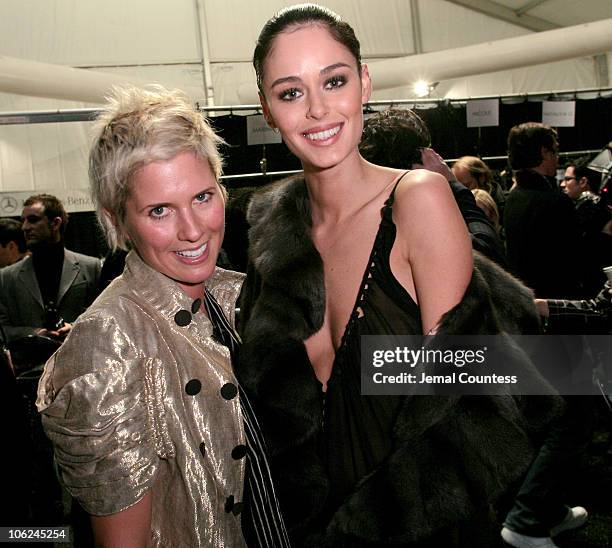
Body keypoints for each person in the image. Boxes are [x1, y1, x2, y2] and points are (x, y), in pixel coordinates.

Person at [236, 4, 559, 546]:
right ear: (267, 108)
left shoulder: (417, 199)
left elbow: (472, 399)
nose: (317, 109)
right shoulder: (272, 227)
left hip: (419, 526)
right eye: (290, 92)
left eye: (333, 81)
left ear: (364, 82)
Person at [36, 86, 289, 547]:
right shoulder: (107, 343)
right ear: (117, 222)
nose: (193, 230)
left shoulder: (237, 296)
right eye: (159, 210)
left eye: (202, 197)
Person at [359, 108, 506, 265]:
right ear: (423, 157)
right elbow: (488, 255)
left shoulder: (358, 217)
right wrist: (453, 185)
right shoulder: (425, 219)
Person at [0, 194, 101, 343]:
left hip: (82, 360)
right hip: (32, 363)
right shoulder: (6, 277)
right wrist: (35, 333)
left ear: (55, 223)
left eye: (33, 220)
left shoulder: (91, 267)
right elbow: (3, 329)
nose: (25, 227)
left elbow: (105, 317)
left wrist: (75, 328)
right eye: (24, 221)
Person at [504, 123, 587, 299]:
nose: (557, 158)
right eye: (555, 151)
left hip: (524, 300)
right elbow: (575, 260)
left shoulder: (513, 198)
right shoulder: (554, 201)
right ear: (544, 152)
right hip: (556, 304)